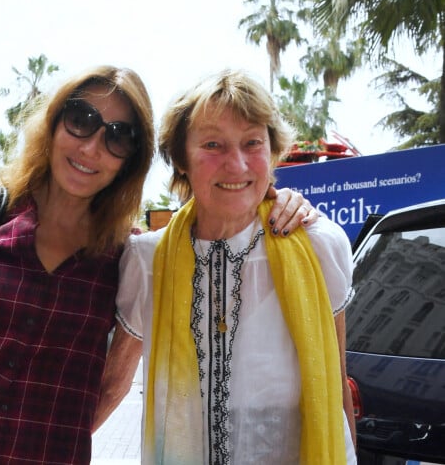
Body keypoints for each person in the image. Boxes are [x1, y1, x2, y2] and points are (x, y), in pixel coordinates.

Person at [0, 65, 314, 465]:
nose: (92, 147)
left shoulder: (130, 258)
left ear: (131, 158)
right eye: (81, 119)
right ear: (53, 124)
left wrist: (277, 198)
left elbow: (115, 384)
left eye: (118, 136)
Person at [115, 69, 357, 464]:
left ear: (272, 150)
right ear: (181, 160)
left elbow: (336, 385)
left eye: (252, 143)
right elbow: (113, 385)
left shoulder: (319, 246)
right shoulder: (147, 260)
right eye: (214, 144)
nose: (238, 164)